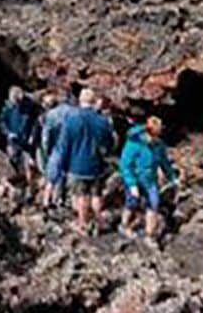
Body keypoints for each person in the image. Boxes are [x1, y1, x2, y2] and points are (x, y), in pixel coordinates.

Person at [47, 88, 115, 235]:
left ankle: (82, 224)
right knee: (97, 194)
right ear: (93, 101)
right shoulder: (102, 121)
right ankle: (99, 221)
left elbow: (63, 146)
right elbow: (109, 142)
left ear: (80, 101)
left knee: (81, 196)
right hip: (96, 164)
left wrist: (62, 167)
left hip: (77, 165)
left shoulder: (71, 120)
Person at [119, 116, 177, 247]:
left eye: (157, 135)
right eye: (152, 135)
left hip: (150, 181)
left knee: (154, 204)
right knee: (132, 203)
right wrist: (132, 184)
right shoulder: (134, 144)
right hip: (135, 180)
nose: (154, 139)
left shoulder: (159, 145)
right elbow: (125, 166)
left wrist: (172, 178)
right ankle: (124, 224)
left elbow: (165, 163)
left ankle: (149, 235)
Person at [41, 93, 77, 207]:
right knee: (66, 175)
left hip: (57, 148)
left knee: (52, 176)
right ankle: (60, 199)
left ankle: (47, 201)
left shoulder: (52, 114)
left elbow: (46, 137)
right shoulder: (76, 113)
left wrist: (46, 151)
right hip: (71, 150)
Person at [0, 86, 37, 193]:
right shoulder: (8, 108)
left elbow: (35, 122)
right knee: (13, 160)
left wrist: (32, 136)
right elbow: (2, 122)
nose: (18, 104)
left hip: (26, 140)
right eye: (16, 102)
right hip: (13, 140)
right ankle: (16, 185)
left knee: (28, 164)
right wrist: (8, 133)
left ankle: (30, 188)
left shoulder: (29, 106)